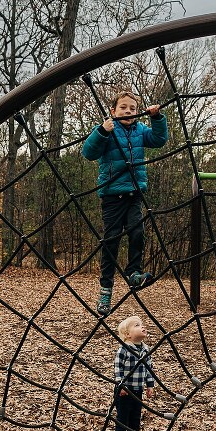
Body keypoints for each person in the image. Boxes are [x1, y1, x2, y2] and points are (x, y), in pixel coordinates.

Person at [82, 91, 168, 316]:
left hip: (134, 194)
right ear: (113, 111)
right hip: (112, 195)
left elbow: (159, 140)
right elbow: (88, 153)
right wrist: (102, 131)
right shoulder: (107, 129)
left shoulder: (140, 131)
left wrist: (157, 118)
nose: (128, 111)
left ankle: (134, 274)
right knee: (110, 243)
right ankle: (105, 292)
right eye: (123, 107)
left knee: (137, 232)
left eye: (132, 108)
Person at [113, 315, 155, 431]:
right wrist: (121, 385)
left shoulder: (146, 350)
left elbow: (149, 369)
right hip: (124, 390)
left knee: (136, 414)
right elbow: (118, 368)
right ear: (128, 334)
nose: (142, 326)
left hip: (138, 389)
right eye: (137, 325)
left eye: (142, 324)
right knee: (123, 415)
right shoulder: (124, 349)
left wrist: (150, 385)